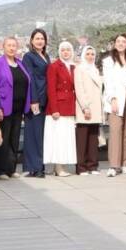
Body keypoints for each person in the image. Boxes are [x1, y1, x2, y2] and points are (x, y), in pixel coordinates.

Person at [0, 36, 29, 180]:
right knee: (3, 139)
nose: (12, 48)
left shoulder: (20, 63)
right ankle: (0, 170)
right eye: (9, 45)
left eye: (14, 45)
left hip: (18, 108)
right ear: (3, 47)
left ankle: (11, 169)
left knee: (14, 138)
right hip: (4, 108)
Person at [102, 34, 126, 176]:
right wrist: (112, 98)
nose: (121, 44)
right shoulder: (108, 61)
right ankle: (114, 165)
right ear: (115, 44)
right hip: (116, 97)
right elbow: (108, 82)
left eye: (124, 41)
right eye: (118, 41)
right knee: (115, 131)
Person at [44, 41, 78, 177]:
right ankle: (58, 167)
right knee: (57, 138)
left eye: (68, 50)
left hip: (69, 106)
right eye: (63, 50)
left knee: (65, 138)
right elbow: (51, 89)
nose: (65, 52)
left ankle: (61, 166)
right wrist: (54, 109)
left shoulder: (74, 67)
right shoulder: (54, 66)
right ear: (59, 51)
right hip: (58, 108)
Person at [21, 29, 51, 178]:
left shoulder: (46, 56)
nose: (40, 41)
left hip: (46, 100)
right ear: (32, 41)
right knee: (33, 135)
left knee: (41, 135)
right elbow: (30, 78)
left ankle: (40, 166)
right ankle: (35, 168)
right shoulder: (28, 57)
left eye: (42, 38)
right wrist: (33, 100)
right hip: (36, 100)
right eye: (37, 38)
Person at [74, 45, 104, 174]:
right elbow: (79, 89)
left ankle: (92, 165)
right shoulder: (79, 69)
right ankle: (81, 167)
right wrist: (85, 107)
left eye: (92, 54)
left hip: (96, 108)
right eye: (88, 54)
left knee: (93, 139)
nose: (90, 56)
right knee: (82, 140)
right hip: (85, 108)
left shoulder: (95, 69)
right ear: (83, 55)